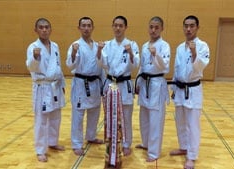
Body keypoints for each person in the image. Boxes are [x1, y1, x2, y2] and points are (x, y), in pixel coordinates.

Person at [169, 15, 210, 169]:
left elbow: (201, 67)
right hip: (179, 89)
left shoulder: (203, 46)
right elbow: (177, 69)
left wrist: (194, 53)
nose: (188, 29)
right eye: (186, 25)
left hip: (193, 89)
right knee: (180, 122)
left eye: (192, 26)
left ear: (197, 28)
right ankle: (184, 147)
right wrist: (173, 89)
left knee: (193, 125)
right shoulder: (180, 47)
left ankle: (192, 156)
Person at [97, 15, 140, 157]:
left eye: (121, 25)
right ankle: (111, 142)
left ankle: (127, 144)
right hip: (111, 83)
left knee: (126, 116)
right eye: (115, 25)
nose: (118, 28)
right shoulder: (107, 45)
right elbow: (102, 64)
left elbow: (135, 65)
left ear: (125, 27)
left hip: (125, 84)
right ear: (112, 27)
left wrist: (131, 54)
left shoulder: (132, 44)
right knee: (110, 115)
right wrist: (98, 50)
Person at [26, 18, 66, 162]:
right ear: (36, 30)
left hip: (55, 86)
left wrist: (62, 85)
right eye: (41, 27)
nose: (44, 30)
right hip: (42, 87)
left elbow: (58, 66)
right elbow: (31, 67)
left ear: (50, 29)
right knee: (42, 119)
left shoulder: (55, 46)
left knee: (56, 116)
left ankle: (52, 142)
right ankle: (40, 150)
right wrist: (35, 58)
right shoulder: (33, 47)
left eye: (47, 27)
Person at [66, 16, 105, 156]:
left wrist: (103, 84)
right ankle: (76, 143)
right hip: (81, 84)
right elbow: (70, 65)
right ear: (79, 28)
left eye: (89, 25)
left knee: (94, 111)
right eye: (83, 25)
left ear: (92, 28)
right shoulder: (75, 45)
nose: (86, 28)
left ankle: (91, 136)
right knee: (78, 114)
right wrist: (74, 53)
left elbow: (102, 66)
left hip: (95, 83)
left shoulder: (97, 45)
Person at [135, 16, 171, 162]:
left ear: (162, 29)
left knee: (155, 119)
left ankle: (154, 152)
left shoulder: (164, 46)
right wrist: (137, 82)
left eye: (156, 27)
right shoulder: (144, 46)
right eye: (151, 27)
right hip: (144, 83)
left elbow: (165, 66)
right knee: (143, 117)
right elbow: (142, 66)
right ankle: (146, 143)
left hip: (156, 83)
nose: (153, 30)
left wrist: (156, 54)